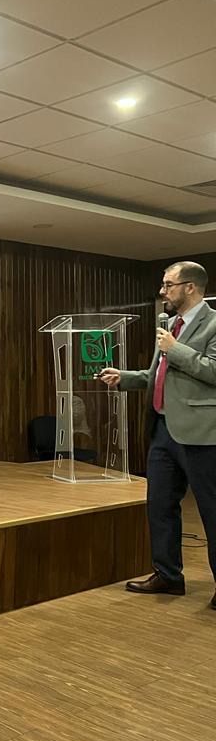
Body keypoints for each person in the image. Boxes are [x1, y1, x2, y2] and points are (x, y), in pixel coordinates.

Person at [99, 261, 216, 609]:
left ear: (190, 287)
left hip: (202, 434)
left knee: (212, 510)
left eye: (169, 285)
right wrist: (126, 377)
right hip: (163, 430)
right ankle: (167, 575)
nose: (163, 291)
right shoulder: (170, 326)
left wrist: (175, 349)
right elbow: (157, 375)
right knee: (160, 506)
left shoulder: (212, 324)